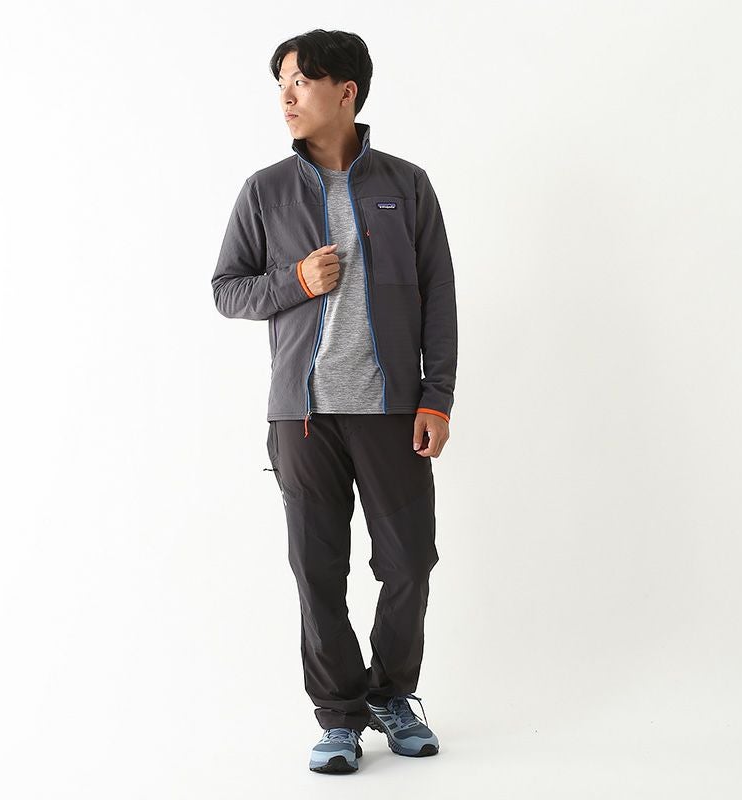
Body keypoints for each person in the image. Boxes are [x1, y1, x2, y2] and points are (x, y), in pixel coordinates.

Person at [211, 28, 458, 774]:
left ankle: (392, 694)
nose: (286, 97)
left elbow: (439, 295)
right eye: (280, 84)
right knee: (317, 571)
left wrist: (437, 396)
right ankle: (339, 716)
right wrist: (296, 281)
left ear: (345, 92)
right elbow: (227, 290)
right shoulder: (264, 191)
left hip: (393, 411)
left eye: (300, 81)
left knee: (409, 560)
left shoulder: (406, 185)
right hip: (304, 417)